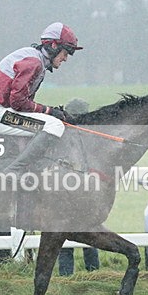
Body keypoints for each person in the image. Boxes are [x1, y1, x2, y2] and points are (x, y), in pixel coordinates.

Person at [0, 22, 82, 175]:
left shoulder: (34, 58)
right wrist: (48, 111)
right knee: (54, 126)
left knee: (51, 121)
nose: (65, 59)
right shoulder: (34, 63)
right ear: (53, 46)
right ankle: (14, 171)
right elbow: (18, 102)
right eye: (66, 53)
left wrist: (48, 111)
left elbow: (22, 103)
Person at [56, 97, 100, 275]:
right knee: (87, 234)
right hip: (76, 194)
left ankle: (69, 276)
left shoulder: (61, 133)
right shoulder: (85, 136)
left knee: (67, 235)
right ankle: (93, 274)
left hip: (70, 193)